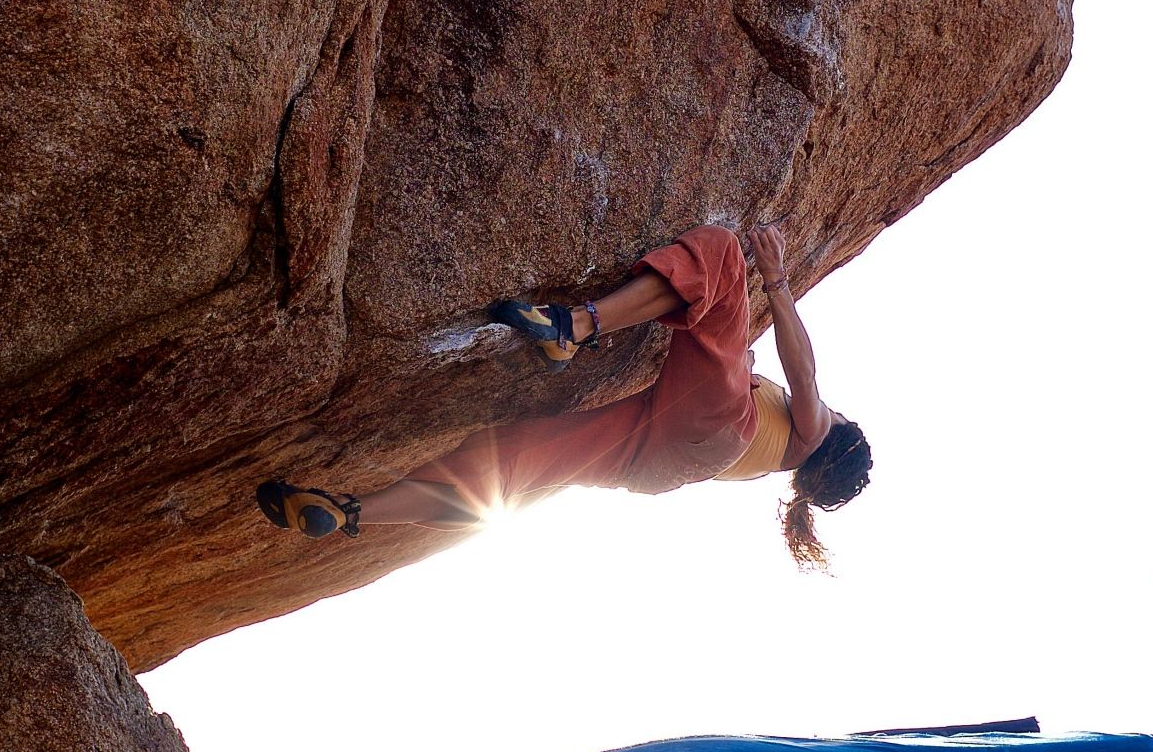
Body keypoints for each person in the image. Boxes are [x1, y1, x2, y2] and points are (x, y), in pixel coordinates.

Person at [256, 224, 871, 568]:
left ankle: (574, 327)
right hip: (659, 463)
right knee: (510, 464)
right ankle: (352, 511)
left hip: (709, 424)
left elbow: (805, 374)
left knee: (722, 260)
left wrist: (777, 279)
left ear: (833, 440)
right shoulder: (770, 458)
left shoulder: (809, 433)